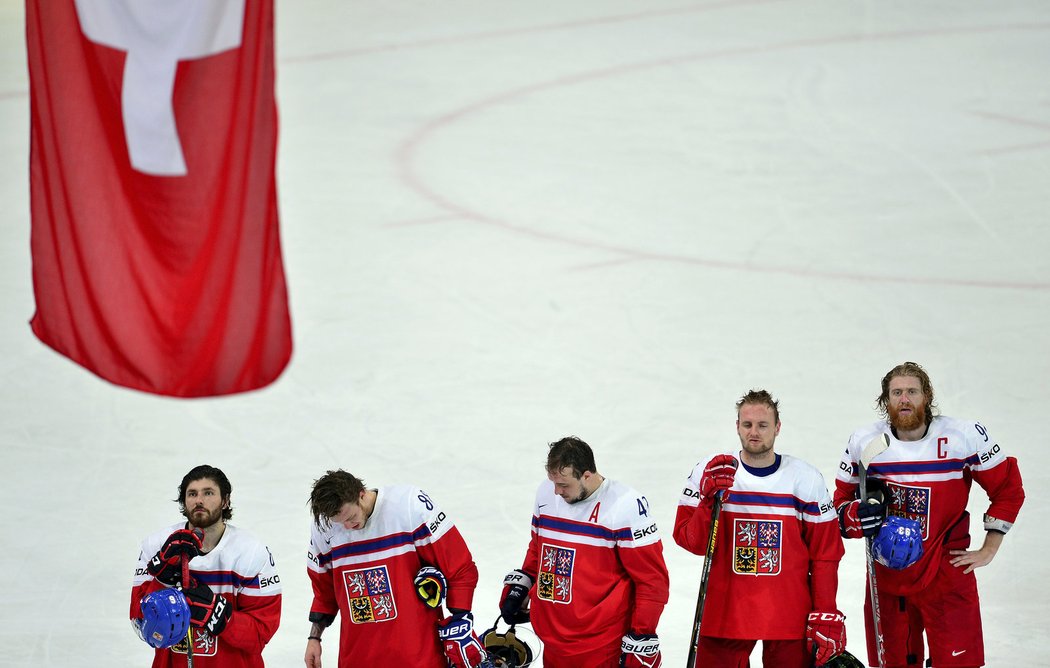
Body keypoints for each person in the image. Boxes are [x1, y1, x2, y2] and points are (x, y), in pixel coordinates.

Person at [834, 362, 1025, 668]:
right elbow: (840, 503)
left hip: (947, 572)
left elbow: (1007, 488)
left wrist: (990, 548)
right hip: (888, 573)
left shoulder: (963, 437)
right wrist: (858, 515)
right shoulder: (864, 443)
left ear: (927, 397)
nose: (904, 399)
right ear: (886, 400)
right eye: (897, 392)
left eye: (912, 391)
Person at [674, 390, 846, 668]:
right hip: (725, 613)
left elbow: (825, 552)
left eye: (762, 425)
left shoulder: (804, 478)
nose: (754, 432)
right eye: (747, 424)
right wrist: (707, 501)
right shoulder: (712, 470)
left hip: (789, 615)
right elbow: (689, 541)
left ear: (777, 428)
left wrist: (825, 611)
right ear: (737, 426)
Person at [498, 436, 670, 668]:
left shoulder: (625, 505)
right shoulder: (546, 494)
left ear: (586, 475)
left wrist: (642, 635)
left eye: (564, 485)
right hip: (552, 639)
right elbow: (539, 548)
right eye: (553, 483)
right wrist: (524, 584)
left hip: (601, 646)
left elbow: (652, 580)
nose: (557, 491)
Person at [305, 469, 489, 668]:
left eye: (351, 517)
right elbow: (325, 592)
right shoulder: (324, 529)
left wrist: (460, 619)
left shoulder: (409, 506)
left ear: (362, 494)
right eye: (340, 523)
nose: (348, 527)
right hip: (358, 658)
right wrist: (314, 638)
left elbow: (459, 566)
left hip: (419, 657)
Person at [130, 465, 282, 667]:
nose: (199, 500)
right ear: (184, 501)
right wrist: (161, 579)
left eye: (208, 493)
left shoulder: (251, 552)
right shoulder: (157, 546)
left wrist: (220, 617)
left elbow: (260, 634)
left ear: (225, 501)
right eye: (192, 494)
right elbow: (140, 622)